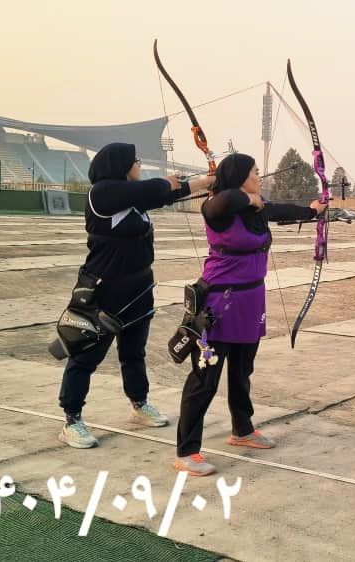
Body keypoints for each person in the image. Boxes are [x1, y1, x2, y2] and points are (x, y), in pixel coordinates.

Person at [173, 153, 327, 476]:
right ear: (240, 177)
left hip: (251, 302)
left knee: (242, 370)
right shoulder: (216, 207)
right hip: (219, 305)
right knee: (205, 378)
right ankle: (187, 451)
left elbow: (281, 210)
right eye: (254, 172)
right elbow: (223, 201)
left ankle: (242, 430)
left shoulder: (257, 209)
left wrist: (313, 210)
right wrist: (248, 198)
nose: (259, 176)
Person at [58, 142, 212, 448]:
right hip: (105, 290)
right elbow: (155, 189)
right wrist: (166, 183)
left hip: (139, 287)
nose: (139, 165)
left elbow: (168, 193)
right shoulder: (102, 193)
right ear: (120, 165)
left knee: (133, 351)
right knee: (87, 355)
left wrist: (209, 181)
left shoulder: (134, 198)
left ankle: (139, 404)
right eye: (135, 161)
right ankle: (72, 420)